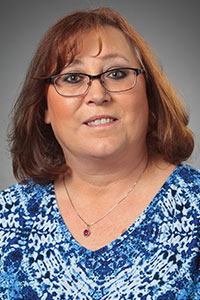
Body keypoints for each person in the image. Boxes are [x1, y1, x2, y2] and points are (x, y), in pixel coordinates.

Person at [0, 7, 199, 300]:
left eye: (116, 74)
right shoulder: (9, 216)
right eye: (72, 78)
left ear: (149, 96)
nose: (97, 94)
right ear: (44, 108)